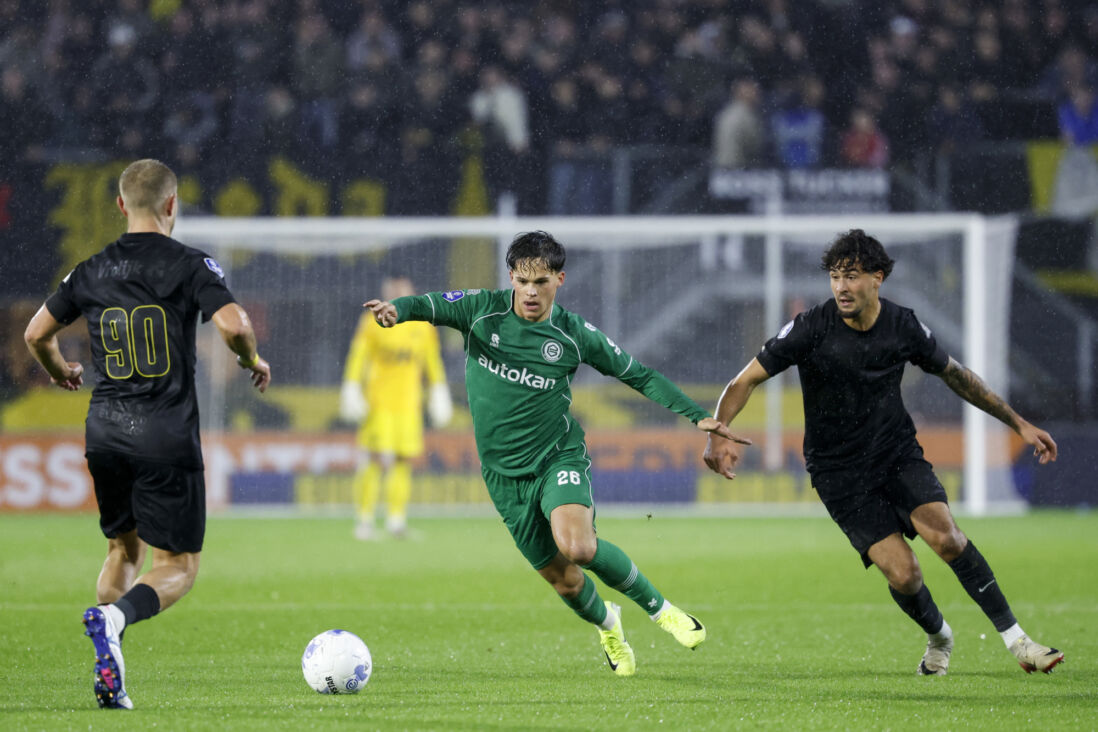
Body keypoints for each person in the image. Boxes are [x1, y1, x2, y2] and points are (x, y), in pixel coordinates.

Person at [364, 231, 747, 676]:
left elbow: (637, 374)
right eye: (523, 281)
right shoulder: (480, 310)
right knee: (564, 580)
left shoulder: (573, 334)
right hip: (504, 477)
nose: (530, 291)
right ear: (511, 277)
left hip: (556, 457)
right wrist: (398, 311)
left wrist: (695, 414)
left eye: (541, 281)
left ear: (559, 279)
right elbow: (428, 305)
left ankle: (663, 611)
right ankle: (609, 624)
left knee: (578, 547)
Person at [703, 229, 1064, 676]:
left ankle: (1019, 642)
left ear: (877, 278)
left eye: (851, 276)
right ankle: (939, 637)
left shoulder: (903, 326)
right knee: (905, 575)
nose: (840, 287)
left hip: (895, 453)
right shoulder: (811, 327)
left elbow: (956, 375)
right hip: (838, 472)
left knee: (947, 538)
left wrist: (1018, 422)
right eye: (835, 276)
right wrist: (719, 430)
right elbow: (745, 380)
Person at [23, 159, 271, 709]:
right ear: (171, 205)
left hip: (106, 429)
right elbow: (233, 324)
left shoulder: (87, 270)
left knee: (122, 546)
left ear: (119, 206)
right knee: (177, 565)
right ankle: (114, 619)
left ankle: (109, 663)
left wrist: (60, 370)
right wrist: (251, 358)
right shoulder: (189, 264)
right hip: (164, 432)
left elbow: (36, 333)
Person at [340, 275, 452, 540]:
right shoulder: (371, 322)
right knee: (374, 459)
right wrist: (351, 385)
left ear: (411, 289)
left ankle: (396, 521)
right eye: (392, 287)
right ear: (385, 289)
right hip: (378, 404)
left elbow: (431, 361)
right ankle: (364, 522)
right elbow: (358, 356)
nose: (397, 291)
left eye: (402, 287)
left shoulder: (423, 326)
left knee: (403, 460)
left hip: (409, 406)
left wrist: (438, 390)